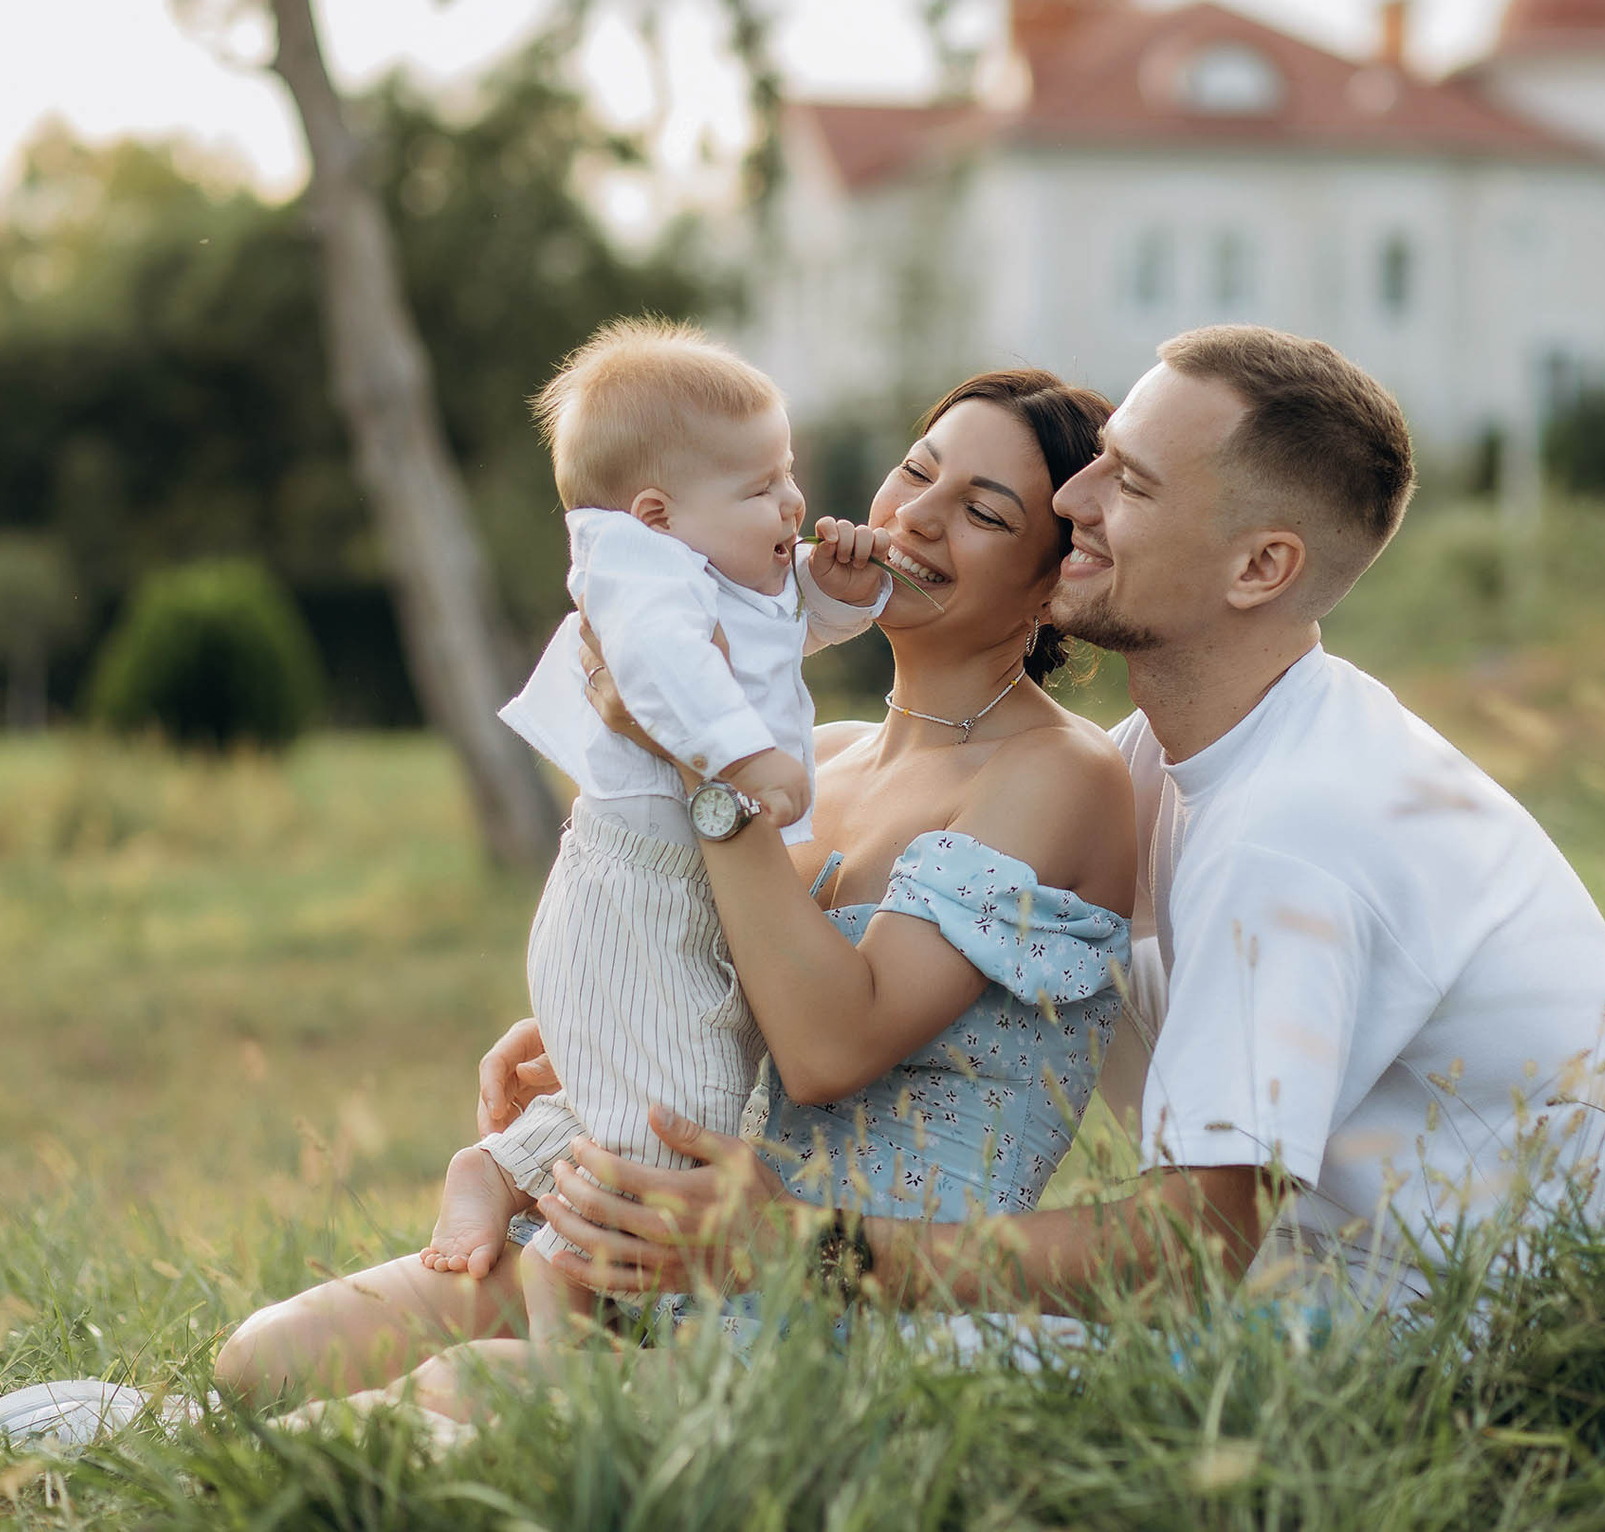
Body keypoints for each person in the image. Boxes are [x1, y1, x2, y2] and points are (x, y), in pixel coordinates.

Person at [525, 324, 1605, 1322]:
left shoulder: (1294, 827)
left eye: (1126, 481)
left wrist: (800, 1249)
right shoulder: (1167, 766)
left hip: (1451, 1354)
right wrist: (631, 997)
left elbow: (1193, 1248)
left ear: (1260, 566)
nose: (1070, 501)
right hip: (1315, 1307)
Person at [209, 368, 1135, 1411]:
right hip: (657, 1232)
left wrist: (707, 756)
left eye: (981, 512)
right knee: (269, 1357)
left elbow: (829, 1051)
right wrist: (609, 1020)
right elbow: (717, 973)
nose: (915, 517)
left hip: (842, 1295)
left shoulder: (1060, 775)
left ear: (1051, 580)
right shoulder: (817, 758)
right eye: (916, 472)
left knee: (458, 1393)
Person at [416, 318, 895, 1348]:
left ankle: (505, 1171)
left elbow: (767, 636)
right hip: (639, 879)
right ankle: (562, 1327)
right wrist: (740, 758)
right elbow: (666, 667)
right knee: (678, 1121)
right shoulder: (637, 575)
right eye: (762, 486)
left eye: (789, 474)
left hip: (669, 886)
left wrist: (837, 598)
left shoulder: (701, 562)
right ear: (655, 513)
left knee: (655, 1090)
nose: (793, 504)